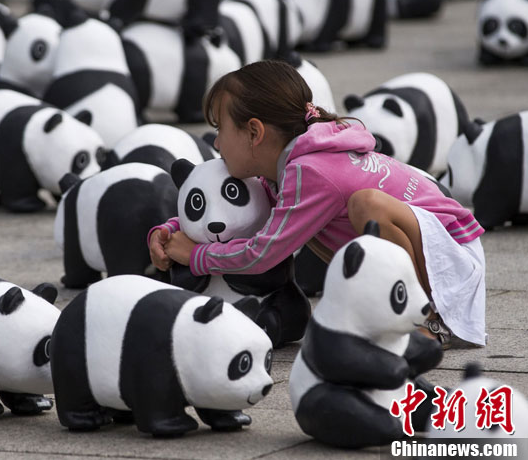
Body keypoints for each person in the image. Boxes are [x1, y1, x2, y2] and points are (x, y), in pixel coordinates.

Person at [148, 60, 486, 348]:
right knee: (342, 215)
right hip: (433, 246)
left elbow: (262, 253)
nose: (217, 142)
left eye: (221, 129)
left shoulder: (311, 171)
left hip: (449, 260)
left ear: (254, 133)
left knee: (367, 205)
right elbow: (240, 214)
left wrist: (195, 256)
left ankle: (425, 320)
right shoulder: (287, 166)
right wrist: (174, 229)